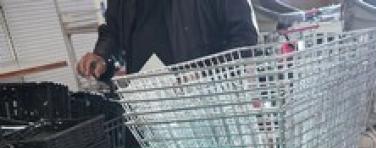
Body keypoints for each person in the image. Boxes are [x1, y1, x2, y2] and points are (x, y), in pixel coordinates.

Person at [77, 0, 259, 80]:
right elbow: (114, 31)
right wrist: (102, 56)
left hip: (208, 106)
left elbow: (244, 36)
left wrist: (205, 75)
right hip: (148, 107)